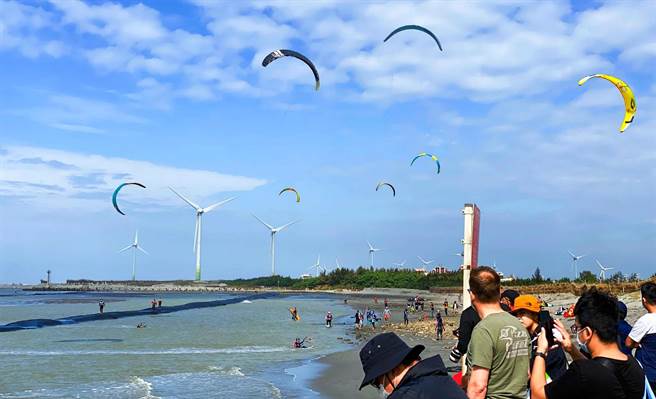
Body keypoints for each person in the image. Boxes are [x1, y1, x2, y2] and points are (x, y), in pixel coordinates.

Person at [530, 287, 645, 399]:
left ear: (587, 332)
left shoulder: (582, 372)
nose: (576, 331)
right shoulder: (634, 365)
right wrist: (571, 348)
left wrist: (540, 352)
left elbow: (537, 395)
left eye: (577, 327)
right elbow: (598, 369)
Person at [465, 266, 530, 399]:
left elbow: (478, 386)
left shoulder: (483, 330)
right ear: (499, 293)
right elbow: (527, 373)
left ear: (472, 294)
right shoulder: (519, 325)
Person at [358, 332, 467, 399]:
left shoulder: (404, 395)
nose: (381, 389)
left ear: (393, 370)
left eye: (378, 383)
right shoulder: (443, 379)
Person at [511, 294, 567, 382]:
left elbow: (551, 362)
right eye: (516, 314)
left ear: (535, 314)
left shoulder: (548, 335)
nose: (519, 318)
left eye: (522, 313)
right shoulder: (528, 336)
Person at [626, 281, 656, 392]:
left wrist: (637, 343)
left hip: (650, 371)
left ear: (644, 300)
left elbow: (628, 343)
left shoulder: (644, 321)